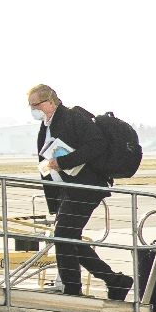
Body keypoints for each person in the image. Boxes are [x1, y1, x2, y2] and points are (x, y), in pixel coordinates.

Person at [29, 84, 131, 299]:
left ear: (49, 101)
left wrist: (63, 162)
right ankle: (115, 281)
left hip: (85, 187)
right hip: (67, 189)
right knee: (69, 237)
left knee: (63, 236)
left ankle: (73, 288)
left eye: (35, 104)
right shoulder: (46, 124)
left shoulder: (73, 117)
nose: (32, 109)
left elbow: (97, 145)